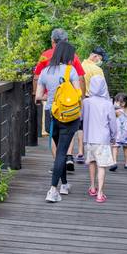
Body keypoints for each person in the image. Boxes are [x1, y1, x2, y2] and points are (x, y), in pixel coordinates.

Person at [33, 29, 85, 171]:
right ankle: (68, 156)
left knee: (54, 133)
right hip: (70, 102)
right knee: (69, 128)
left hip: (52, 103)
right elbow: (80, 77)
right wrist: (81, 98)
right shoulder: (72, 56)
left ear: (52, 40)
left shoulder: (45, 56)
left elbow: (37, 77)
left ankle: (58, 163)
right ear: (66, 41)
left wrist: (36, 95)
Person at [35, 40, 81, 202]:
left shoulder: (45, 71)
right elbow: (78, 93)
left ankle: (65, 184)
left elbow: (38, 96)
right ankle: (53, 190)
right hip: (68, 117)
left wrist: (52, 97)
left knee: (59, 151)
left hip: (51, 116)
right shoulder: (71, 71)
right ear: (68, 55)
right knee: (62, 152)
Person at [82, 74, 118, 203]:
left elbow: (81, 118)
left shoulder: (85, 102)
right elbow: (113, 123)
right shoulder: (108, 104)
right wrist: (114, 136)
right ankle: (100, 193)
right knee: (101, 165)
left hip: (89, 138)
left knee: (92, 162)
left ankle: (92, 187)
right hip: (103, 139)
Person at [75, 47, 107, 164]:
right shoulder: (97, 70)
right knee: (94, 126)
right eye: (100, 58)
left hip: (80, 100)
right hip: (94, 100)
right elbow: (103, 89)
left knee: (81, 126)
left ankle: (80, 152)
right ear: (95, 56)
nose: (100, 61)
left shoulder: (80, 66)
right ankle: (93, 153)